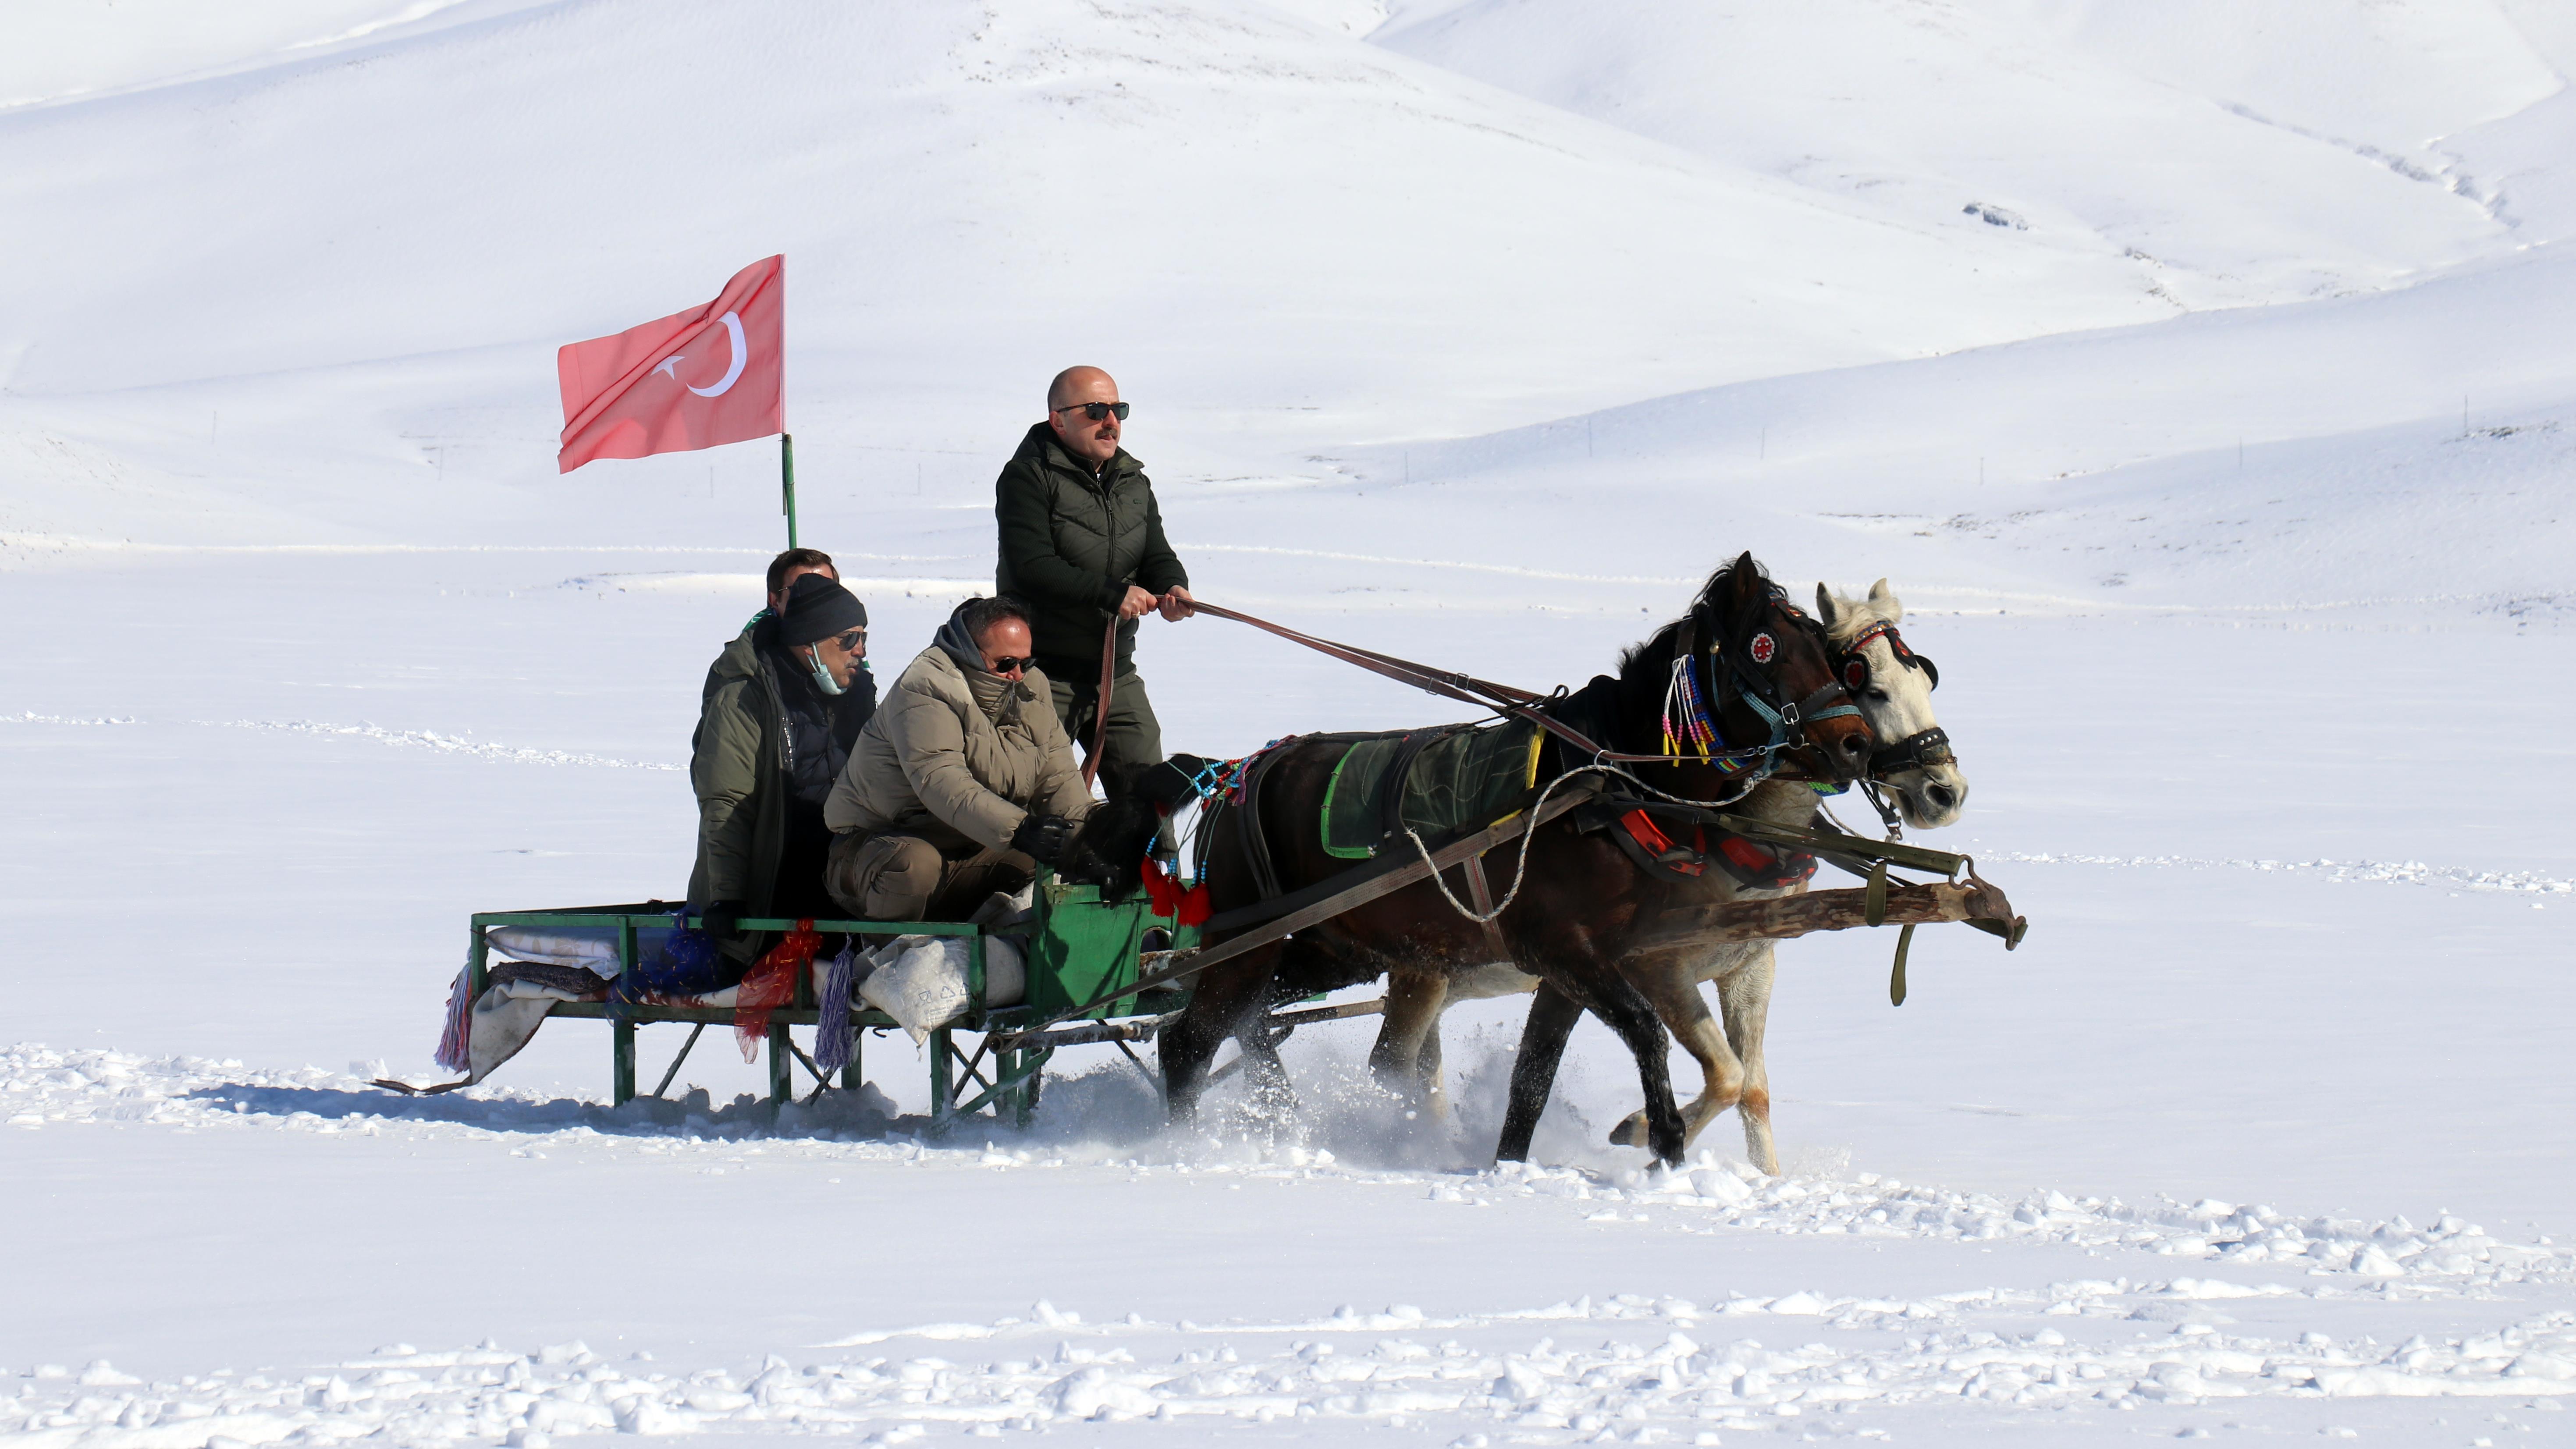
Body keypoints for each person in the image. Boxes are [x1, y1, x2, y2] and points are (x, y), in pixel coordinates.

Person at [822, 596, 1092, 921]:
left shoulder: (1031, 690)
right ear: (969, 653)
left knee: (1049, 862)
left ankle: (1001, 956)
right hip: (877, 851)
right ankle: (887, 963)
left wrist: (1092, 843)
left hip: (970, 846)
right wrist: (1019, 829)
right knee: (915, 865)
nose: (1018, 675)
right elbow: (941, 779)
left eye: (1027, 662)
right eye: (1006, 664)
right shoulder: (924, 688)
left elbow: (1060, 781)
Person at [995, 366, 1193, 785]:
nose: (1111, 422)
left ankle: (1155, 856)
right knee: (1031, 807)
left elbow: (1155, 553)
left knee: (1149, 805)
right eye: (1096, 410)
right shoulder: (1027, 476)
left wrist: (1173, 587)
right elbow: (1031, 567)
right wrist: (1111, 593)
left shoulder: (1133, 480)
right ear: (1058, 419)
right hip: (1042, 677)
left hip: (1115, 673)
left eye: (1118, 409)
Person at [687, 572, 875, 972]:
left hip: (836, 893)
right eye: (848, 639)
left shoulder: (856, 696)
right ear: (809, 643)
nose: (859, 650)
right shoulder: (745, 700)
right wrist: (728, 897)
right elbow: (726, 803)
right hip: (769, 897)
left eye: (863, 637)